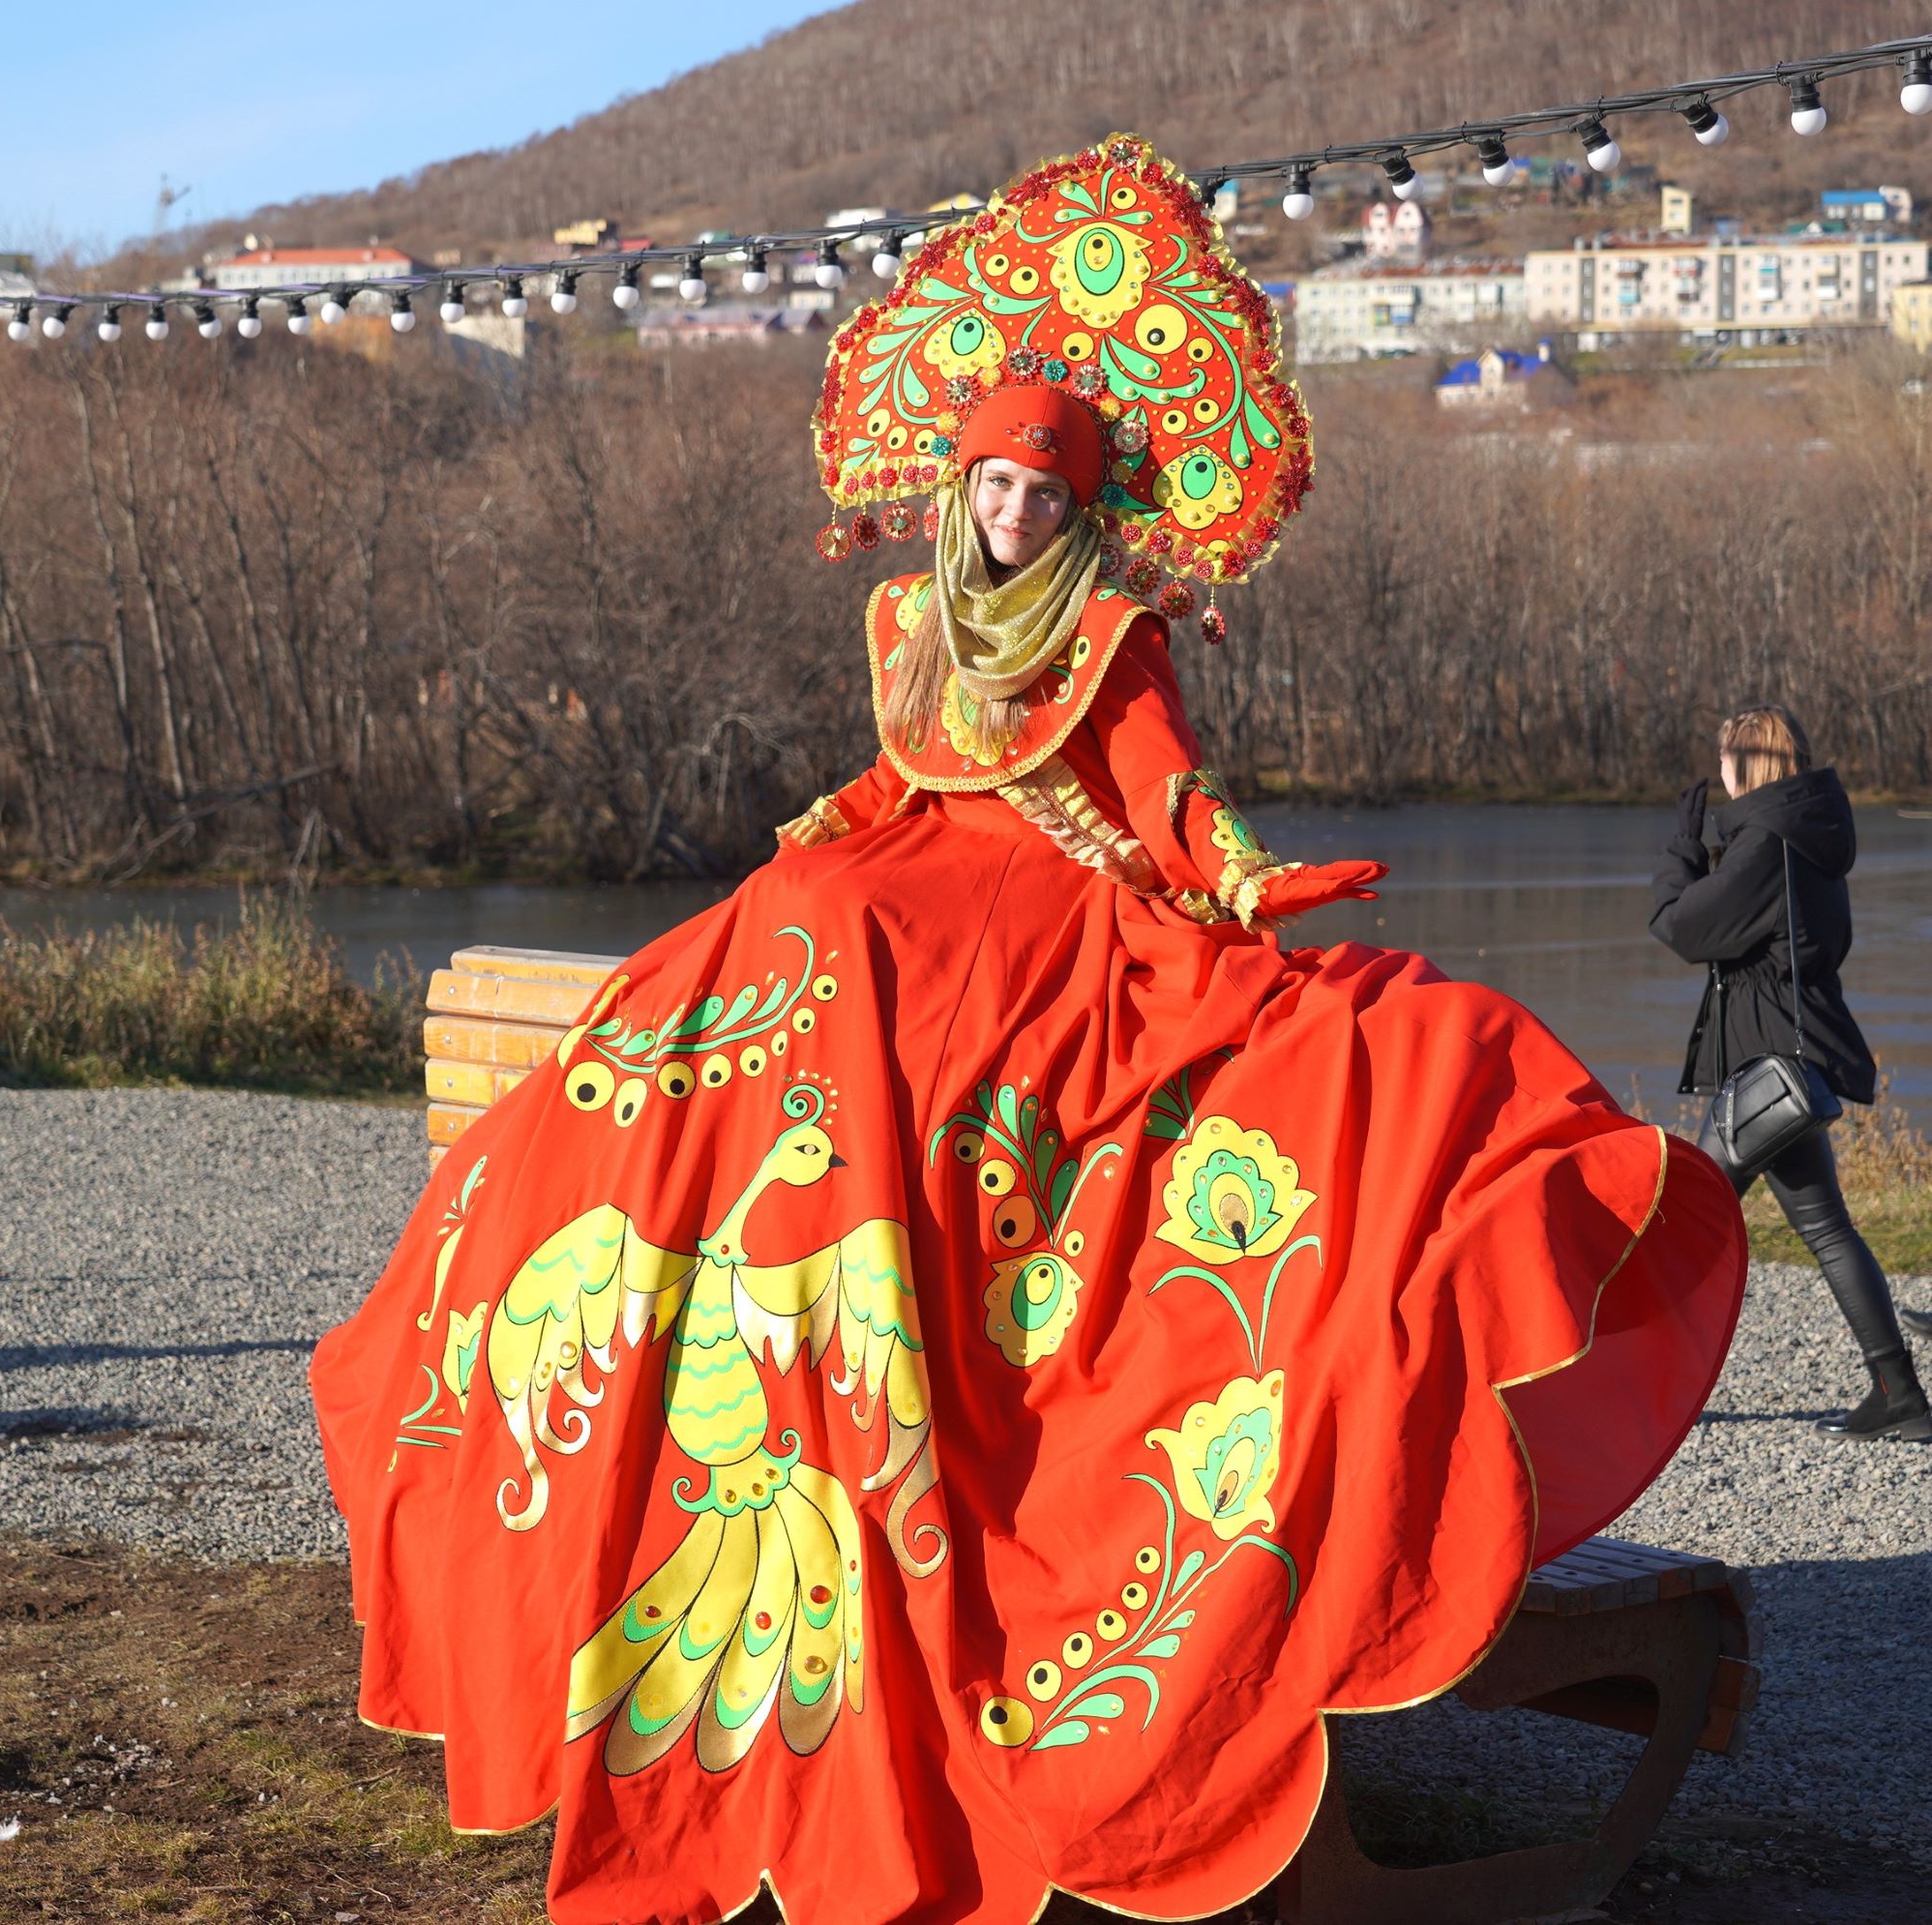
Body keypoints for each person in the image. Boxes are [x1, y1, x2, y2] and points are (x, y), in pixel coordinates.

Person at [312, 134, 1746, 1925]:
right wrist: (812, 842)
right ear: (957, 483)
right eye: (991, 482)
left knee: (1141, 1026)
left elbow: (1166, 807)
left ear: (1081, 509)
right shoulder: (910, 619)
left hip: (1056, 921)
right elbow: (889, 779)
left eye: (1040, 494)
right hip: (902, 891)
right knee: (794, 928)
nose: (1010, 514)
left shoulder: (1119, 633)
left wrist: (1252, 890)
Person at [1651, 704, 1929, 1442]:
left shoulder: (1766, 846)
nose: (1718, 773)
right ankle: (1898, 1394)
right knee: (1829, 1229)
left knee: (1678, 1226)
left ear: (1750, 765)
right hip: (1788, 1062)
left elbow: (1682, 927)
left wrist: (1682, 846)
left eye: (1724, 760)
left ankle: (1634, 1394)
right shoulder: (1808, 837)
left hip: (1764, 1065)